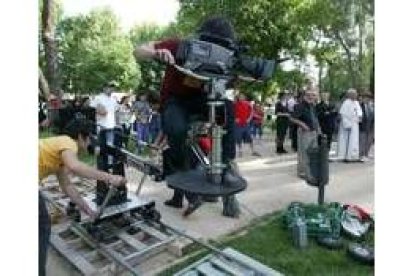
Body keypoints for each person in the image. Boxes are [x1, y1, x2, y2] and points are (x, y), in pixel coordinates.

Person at [133, 16, 240, 217]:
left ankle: (226, 165)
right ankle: (184, 175)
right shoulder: (179, 45)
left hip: (202, 100)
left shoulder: (226, 58)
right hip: (175, 101)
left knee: (228, 107)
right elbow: (138, 51)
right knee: (175, 128)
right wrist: (156, 52)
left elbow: (231, 82)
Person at [39, 118, 127, 276]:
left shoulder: (59, 151)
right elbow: (76, 166)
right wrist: (110, 177)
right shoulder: (68, 142)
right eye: (89, 140)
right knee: (42, 226)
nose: (89, 145)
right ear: (80, 136)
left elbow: (67, 186)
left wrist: (86, 209)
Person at [290, 89, 321, 180]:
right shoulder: (300, 106)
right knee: (304, 153)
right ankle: (302, 172)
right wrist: (303, 124)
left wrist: (319, 130)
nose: (311, 97)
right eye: (308, 95)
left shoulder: (312, 106)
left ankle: (310, 171)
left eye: (313, 95)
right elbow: (292, 118)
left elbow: (315, 118)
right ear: (304, 96)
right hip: (304, 132)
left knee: (312, 153)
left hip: (313, 132)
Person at [90, 83, 119, 164]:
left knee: (110, 145)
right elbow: (92, 109)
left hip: (111, 126)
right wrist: (98, 110)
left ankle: (109, 163)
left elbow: (116, 112)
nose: (111, 89)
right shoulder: (98, 98)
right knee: (100, 146)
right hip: (101, 126)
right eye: (109, 87)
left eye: (112, 87)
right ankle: (100, 163)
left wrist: (117, 123)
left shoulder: (114, 99)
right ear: (104, 88)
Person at [336, 89, 363, 162]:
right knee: (347, 141)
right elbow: (343, 115)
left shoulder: (357, 102)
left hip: (355, 124)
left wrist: (360, 117)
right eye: (354, 94)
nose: (356, 95)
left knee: (354, 141)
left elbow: (359, 111)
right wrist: (347, 124)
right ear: (350, 95)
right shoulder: (346, 103)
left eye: (356, 94)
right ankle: (346, 156)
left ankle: (354, 156)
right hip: (348, 125)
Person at [234, 92, 260, 157]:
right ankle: (240, 151)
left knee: (249, 138)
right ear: (238, 97)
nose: (241, 97)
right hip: (238, 125)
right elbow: (232, 112)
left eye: (242, 96)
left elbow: (252, 112)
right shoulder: (235, 104)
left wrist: (249, 119)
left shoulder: (248, 104)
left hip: (246, 124)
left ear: (244, 97)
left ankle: (253, 151)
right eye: (240, 96)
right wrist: (235, 119)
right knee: (238, 138)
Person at [358, 92, 375, 161]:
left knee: (369, 141)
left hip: (371, 125)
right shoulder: (360, 105)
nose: (367, 99)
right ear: (363, 98)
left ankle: (366, 154)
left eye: (368, 98)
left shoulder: (372, 105)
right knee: (363, 141)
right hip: (363, 125)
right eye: (365, 98)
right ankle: (361, 155)